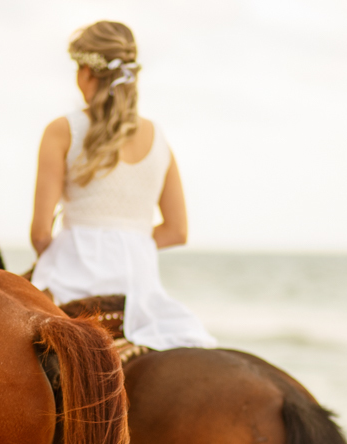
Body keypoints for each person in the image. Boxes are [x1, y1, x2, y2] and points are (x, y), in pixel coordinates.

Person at [29, 21, 215, 351]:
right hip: (138, 291)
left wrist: (86, 249)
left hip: (72, 282)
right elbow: (177, 231)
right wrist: (129, 243)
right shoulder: (159, 138)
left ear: (87, 72)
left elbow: (41, 234)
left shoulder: (62, 130)